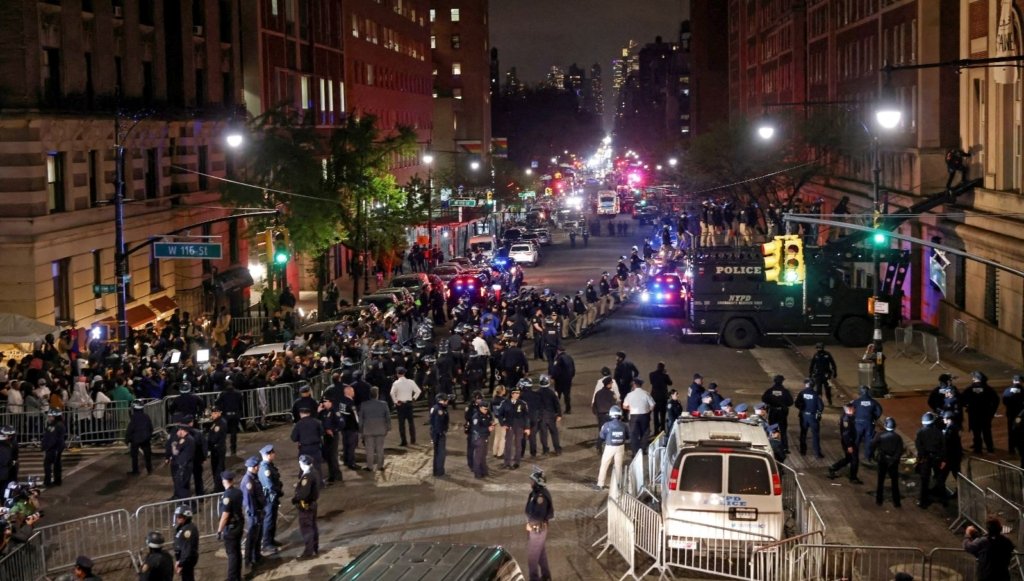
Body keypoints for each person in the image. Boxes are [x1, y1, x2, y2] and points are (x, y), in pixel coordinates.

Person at [524, 468, 554, 581]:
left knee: (532, 559)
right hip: (537, 530)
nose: (530, 482)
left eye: (532, 481)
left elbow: (538, 516)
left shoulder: (541, 498)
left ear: (538, 483)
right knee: (541, 555)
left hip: (537, 530)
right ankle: (546, 577)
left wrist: (531, 526)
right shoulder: (536, 493)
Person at [961, 371, 999, 453]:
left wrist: (967, 405)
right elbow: (996, 401)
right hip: (986, 414)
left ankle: (978, 449)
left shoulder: (969, 389)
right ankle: (990, 448)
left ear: (975, 378)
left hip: (974, 414)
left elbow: (962, 400)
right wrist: (992, 412)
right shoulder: (988, 389)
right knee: (987, 432)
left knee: (976, 432)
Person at [216, 471, 244, 581]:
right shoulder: (238, 492)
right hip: (239, 524)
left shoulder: (227, 496)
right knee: (237, 551)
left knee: (232, 554)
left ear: (224, 481)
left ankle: (232, 578)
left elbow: (225, 515)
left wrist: (219, 530)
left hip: (231, 528)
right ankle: (237, 576)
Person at [292, 455, 321, 559]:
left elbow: (304, 493)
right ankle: (314, 548)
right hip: (313, 503)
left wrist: (295, 499)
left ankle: (309, 552)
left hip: (306, 505)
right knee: (313, 527)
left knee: (306, 529)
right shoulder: (314, 472)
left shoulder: (307, 476)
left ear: (302, 464)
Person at [915, 411, 945, 508]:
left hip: (925, 459)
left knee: (924, 480)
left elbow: (919, 446)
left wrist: (921, 457)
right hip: (937, 458)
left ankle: (923, 501)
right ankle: (943, 500)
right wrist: (942, 458)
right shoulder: (939, 432)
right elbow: (943, 446)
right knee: (939, 479)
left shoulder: (920, 432)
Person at [257, 444, 284, 553]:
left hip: (273, 498)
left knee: (273, 519)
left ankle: (271, 539)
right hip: (269, 499)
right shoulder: (265, 468)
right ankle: (266, 543)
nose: (274, 454)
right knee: (268, 520)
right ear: (268, 455)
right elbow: (270, 486)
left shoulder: (269, 465)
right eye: (273, 453)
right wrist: (279, 492)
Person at [240, 456, 265, 571]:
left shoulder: (254, 477)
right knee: (251, 538)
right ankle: (248, 561)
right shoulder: (248, 481)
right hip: (253, 514)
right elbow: (249, 501)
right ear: (253, 467)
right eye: (257, 466)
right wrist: (255, 514)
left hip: (258, 511)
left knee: (258, 536)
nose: (259, 467)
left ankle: (257, 556)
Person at [872, 417, 904, 508]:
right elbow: (899, 451)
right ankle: (896, 502)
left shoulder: (879, 435)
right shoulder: (898, 437)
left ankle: (879, 500)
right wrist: (893, 460)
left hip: (882, 460)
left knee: (880, 481)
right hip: (893, 462)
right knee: (894, 482)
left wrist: (874, 454)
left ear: (885, 425)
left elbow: (873, 444)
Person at [595, 406, 628, 490]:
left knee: (604, 465)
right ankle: (618, 485)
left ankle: (600, 484)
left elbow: (602, 436)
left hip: (609, 447)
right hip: (620, 447)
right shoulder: (624, 425)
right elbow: (628, 436)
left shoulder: (607, 425)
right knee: (618, 466)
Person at [828, 402, 862, 484]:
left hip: (847, 442)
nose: (855, 410)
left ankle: (833, 468)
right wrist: (849, 446)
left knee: (848, 458)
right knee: (854, 460)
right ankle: (853, 478)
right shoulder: (846, 419)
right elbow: (846, 434)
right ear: (850, 409)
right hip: (849, 442)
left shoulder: (846, 416)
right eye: (853, 408)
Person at [360, 386, 392, 472]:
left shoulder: (364, 404)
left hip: (368, 429)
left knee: (369, 449)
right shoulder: (383, 404)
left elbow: (361, 419)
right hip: (380, 429)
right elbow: (388, 417)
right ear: (377, 395)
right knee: (380, 448)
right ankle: (380, 466)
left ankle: (370, 466)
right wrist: (388, 428)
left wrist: (361, 430)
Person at [622, 377, 655, 455]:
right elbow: (652, 405)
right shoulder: (646, 393)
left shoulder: (629, 394)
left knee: (634, 434)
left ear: (634, 385)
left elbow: (624, 406)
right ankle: (643, 450)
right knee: (645, 433)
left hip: (633, 416)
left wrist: (630, 408)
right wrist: (648, 411)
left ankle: (635, 451)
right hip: (644, 416)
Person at [390, 367, 422, 447]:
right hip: (409, 404)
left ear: (397, 374)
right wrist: (414, 398)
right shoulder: (411, 382)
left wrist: (396, 401)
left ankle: (404, 441)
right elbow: (418, 391)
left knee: (401, 424)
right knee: (411, 423)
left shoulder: (396, 383)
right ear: (404, 373)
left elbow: (392, 393)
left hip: (400, 404)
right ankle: (413, 440)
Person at [761, 375, 793, 453]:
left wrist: (771, 402)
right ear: (782, 381)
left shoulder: (770, 390)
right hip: (782, 413)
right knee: (783, 430)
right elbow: (790, 402)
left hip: (773, 412)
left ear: (774, 381)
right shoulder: (785, 391)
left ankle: (772, 445)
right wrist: (783, 404)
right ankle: (785, 448)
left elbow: (764, 399)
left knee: (772, 428)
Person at [290, 407, 325, 478]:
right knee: (317, 466)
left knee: (304, 466)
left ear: (300, 414)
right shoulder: (317, 422)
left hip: (304, 449)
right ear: (309, 413)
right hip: (316, 448)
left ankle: (304, 482)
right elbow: (322, 433)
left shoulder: (298, 424)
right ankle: (319, 482)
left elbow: (293, 438)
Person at [937, 410, 964, 498]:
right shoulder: (953, 427)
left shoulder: (951, 429)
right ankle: (959, 491)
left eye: (944, 418)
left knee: (945, 475)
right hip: (955, 456)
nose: (943, 419)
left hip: (951, 457)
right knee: (956, 474)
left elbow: (948, 443)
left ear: (949, 419)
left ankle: (944, 494)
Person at [503, 384, 531, 469]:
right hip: (510, 426)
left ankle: (517, 462)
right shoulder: (505, 403)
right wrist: (503, 423)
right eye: (515, 393)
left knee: (518, 444)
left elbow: (526, 416)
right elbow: (500, 414)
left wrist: (527, 427)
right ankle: (507, 462)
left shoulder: (522, 403)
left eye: (518, 393)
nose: (517, 394)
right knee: (508, 444)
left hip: (519, 426)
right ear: (511, 394)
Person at [853, 386, 883, 462]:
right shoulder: (873, 402)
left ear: (860, 392)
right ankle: (868, 457)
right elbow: (879, 411)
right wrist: (874, 418)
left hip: (858, 424)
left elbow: (850, 410)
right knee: (869, 440)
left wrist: (855, 417)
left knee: (856, 440)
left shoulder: (856, 402)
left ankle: (854, 456)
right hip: (869, 423)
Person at [796, 378, 824, 458]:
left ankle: (803, 451)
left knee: (803, 433)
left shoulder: (802, 393)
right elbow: (821, 407)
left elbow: (797, 404)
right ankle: (817, 453)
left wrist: (802, 408)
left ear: (807, 385)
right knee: (815, 435)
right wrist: (817, 413)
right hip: (813, 417)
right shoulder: (816, 394)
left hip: (803, 416)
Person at [214, 381, 244, 456]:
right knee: (234, 432)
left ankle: (223, 448)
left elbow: (218, 404)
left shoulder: (223, 394)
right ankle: (233, 449)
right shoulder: (238, 393)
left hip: (226, 415)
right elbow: (240, 404)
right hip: (235, 415)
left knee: (223, 433)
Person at [125, 400, 154, 475]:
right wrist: (149, 435)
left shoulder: (133, 418)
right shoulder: (146, 416)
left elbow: (130, 429)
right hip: (146, 438)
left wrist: (127, 439)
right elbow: (150, 427)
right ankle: (149, 469)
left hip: (136, 439)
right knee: (147, 455)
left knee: (134, 455)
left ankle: (135, 471)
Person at [318, 398, 343, 484]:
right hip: (326, 436)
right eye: (323, 402)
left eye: (325, 402)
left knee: (333, 456)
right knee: (328, 456)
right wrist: (318, 411)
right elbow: (318, 421)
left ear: (330, 402)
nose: (323, 403)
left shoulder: (335, 411)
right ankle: (332, 475)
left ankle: (337, 476)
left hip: (333, 436)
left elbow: (341, 423)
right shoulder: (323, 412)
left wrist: (333, 430)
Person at [167, 424, 195, 500]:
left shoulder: (184, 439)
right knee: (185, 486)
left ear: (182, 431)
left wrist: (173, 445)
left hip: (183, 466)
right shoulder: (190, 438)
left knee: (181, 486)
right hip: (187, 465)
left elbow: (175, 452)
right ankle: (186, 502)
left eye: (179, 430)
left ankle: (186, 503)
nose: (177, 432)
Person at [536, 375, 562, 456]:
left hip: (541, 416)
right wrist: (559, 414)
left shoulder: (537, 393)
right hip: (551, 416)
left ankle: (545, 450)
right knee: (554, 433)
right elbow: (557, 404)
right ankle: (557, 449)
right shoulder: (552, 393)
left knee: (543, 434)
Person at [173, 505, 199, 581]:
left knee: (188, 577)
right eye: (177, 516)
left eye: (180, 516)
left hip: (187, 560)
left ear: (186, 517)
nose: (177, 518)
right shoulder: (182, 527)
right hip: (183, 559)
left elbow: (187, 549)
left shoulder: (188, 530)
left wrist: (181, 563)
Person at [41, 408, 66, 487]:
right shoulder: (56, 424)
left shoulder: (56, 425)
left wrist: (46, 448)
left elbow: (52, 438)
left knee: (48, 464)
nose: (48, 418)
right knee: (56, 464)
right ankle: (57, 481)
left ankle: (48, 482)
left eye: (50, 416)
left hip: (53, 448)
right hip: (56, 447)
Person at [592, 377, 618, 452]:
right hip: (609, 415)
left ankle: (599, 446)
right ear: (608, 384)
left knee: (602, 431)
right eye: (611, 383)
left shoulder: (598, 393)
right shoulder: (611, 393)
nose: (612, 385)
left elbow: (594, 405)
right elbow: (614, 405)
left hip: (600, 415)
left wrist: (596, 413)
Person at [470, 400, 494, 478]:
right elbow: (476, 429)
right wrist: (488, 429)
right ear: (480, 408)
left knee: (483, 455)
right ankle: (477, 473)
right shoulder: (476, 416)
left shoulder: (487, 414)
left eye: (487, 409)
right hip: (479, 438)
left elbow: (489, 421)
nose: (486, 410)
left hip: (485, 437)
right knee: (478, 456)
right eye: (484, 409)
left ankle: (484, 471)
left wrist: (491, 424)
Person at [549, 346, 576, 414]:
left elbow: (556, 369)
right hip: (568, 379)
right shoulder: (569, 357)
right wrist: (571, 376)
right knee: (567, 395)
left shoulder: (558, 358)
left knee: (558, 395)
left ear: (558, 351)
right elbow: (573, 368)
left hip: (560, 380)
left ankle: (556, 410)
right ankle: (568, 409)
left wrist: (553, 377)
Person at [206, 407, 228, 493]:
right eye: (212, 413)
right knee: (216, 469)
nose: (212, 415)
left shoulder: (220, 423)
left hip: (218, 449)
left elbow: (215, 437)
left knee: (218, 469)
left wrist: (208, 445)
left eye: (214, 413)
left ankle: (219, 488)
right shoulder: (216, 422)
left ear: (219, 413)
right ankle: (218, 487)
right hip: (215, 449)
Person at [429, 393, 451, 477]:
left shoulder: (439, 408)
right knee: (440, 453)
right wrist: (441, 433)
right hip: (438, 434)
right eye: (446, 400)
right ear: (441, 400)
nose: (447, 401)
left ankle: (437, 471)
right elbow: (437, 424)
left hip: (437, 433)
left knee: (438, 453)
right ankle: (439, 472)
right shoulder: (438, 409)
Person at [649, 362, 673, 436]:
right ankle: (662, 430)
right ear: (663, 368)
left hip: (655, 398)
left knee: (655, 415)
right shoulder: (665, 376)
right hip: (663, 398)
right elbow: (670, 383)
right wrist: (667, 374)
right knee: (663, 415)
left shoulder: (651, 374)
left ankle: (656, 431)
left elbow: (651, 382)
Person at [1003, 375, 1024, 455]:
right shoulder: (1023, 391)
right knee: (1020, 432)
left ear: (1013, 381)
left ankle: (1011, 449)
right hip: (1020, 416)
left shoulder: (1007, 390)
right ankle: (1020, 449)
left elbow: (1004, 401)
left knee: (1011, 431)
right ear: (1021, 382)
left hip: (1010, 414)